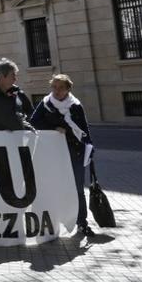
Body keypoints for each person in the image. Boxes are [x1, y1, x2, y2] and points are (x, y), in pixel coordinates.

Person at [30, 74, 95, 236]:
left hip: (75, 152)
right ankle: (53, 222)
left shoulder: (75, 105)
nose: (57, 91)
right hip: (53, 154)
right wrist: (54, 129)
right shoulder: (45, 104)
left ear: (68, 89)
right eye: (54, 87)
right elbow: (34, 121)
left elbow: (84, 129)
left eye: (61, 88)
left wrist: (89, 148)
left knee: (77, 189)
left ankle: (82, 222)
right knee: (54, 187)